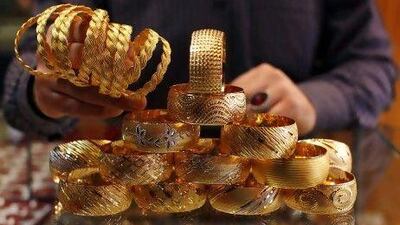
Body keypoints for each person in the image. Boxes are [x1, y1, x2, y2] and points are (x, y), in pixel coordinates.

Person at [2, 0, 396, 139]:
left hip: (284, 187)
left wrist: (313, 101)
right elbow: (33, 59)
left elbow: (373, 65)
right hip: (143, 191)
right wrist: (43, 92)